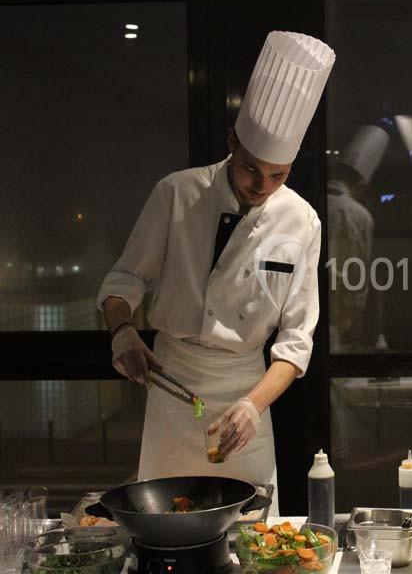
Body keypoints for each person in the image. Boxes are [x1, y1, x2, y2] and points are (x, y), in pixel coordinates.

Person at [96, 31, 336, 514]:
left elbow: (295, 340)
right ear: (231, 142)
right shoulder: (177, 194)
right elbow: (125, 280)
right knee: (163, 522)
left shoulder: (302, 220)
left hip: (247, 391)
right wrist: (122, 331)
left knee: (250, 533)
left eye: (278, 175)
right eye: (251, 170)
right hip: (171, 381)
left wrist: (253, 406)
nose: (261, 186)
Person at [328, 125, 389, 353]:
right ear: (361, 185)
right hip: (336, 323)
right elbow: (356, 277)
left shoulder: (309, 204)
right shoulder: (359, 215)